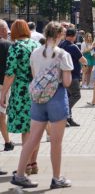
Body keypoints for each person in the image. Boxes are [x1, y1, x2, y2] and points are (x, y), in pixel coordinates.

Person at [10, 21, 73, 189]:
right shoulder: (62, 54)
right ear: (59, 35)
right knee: (56, 142)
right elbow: (66, 82)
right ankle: (56, 178)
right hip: (57, 99)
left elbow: (34, 76)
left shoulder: (35, 53)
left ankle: (20, 174)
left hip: (37, 99)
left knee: (32, 139)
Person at [0, 19, 40, 175]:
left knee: (26, 130)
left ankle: (27, 166)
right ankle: (34, 162)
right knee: (36, 128)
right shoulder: (36, 45)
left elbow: (10, 74)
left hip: (22, 91)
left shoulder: (16, 47)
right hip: (37, 90)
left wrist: (3, 94)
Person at [59, 28, 87, 127]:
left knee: (68, 96)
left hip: (62, 75)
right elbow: (83, 60)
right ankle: (64, 114)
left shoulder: (61, 45)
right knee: (76, 95)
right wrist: (85, 64)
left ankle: (69, 118)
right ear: (74, 36)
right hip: (73, 75)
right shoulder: (73, 47)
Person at [0, 19, 14, 151]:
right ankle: (7, 142)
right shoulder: (8, 45)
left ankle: (7, 141)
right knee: (1, 114)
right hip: (2, 85)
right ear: (3, 30)